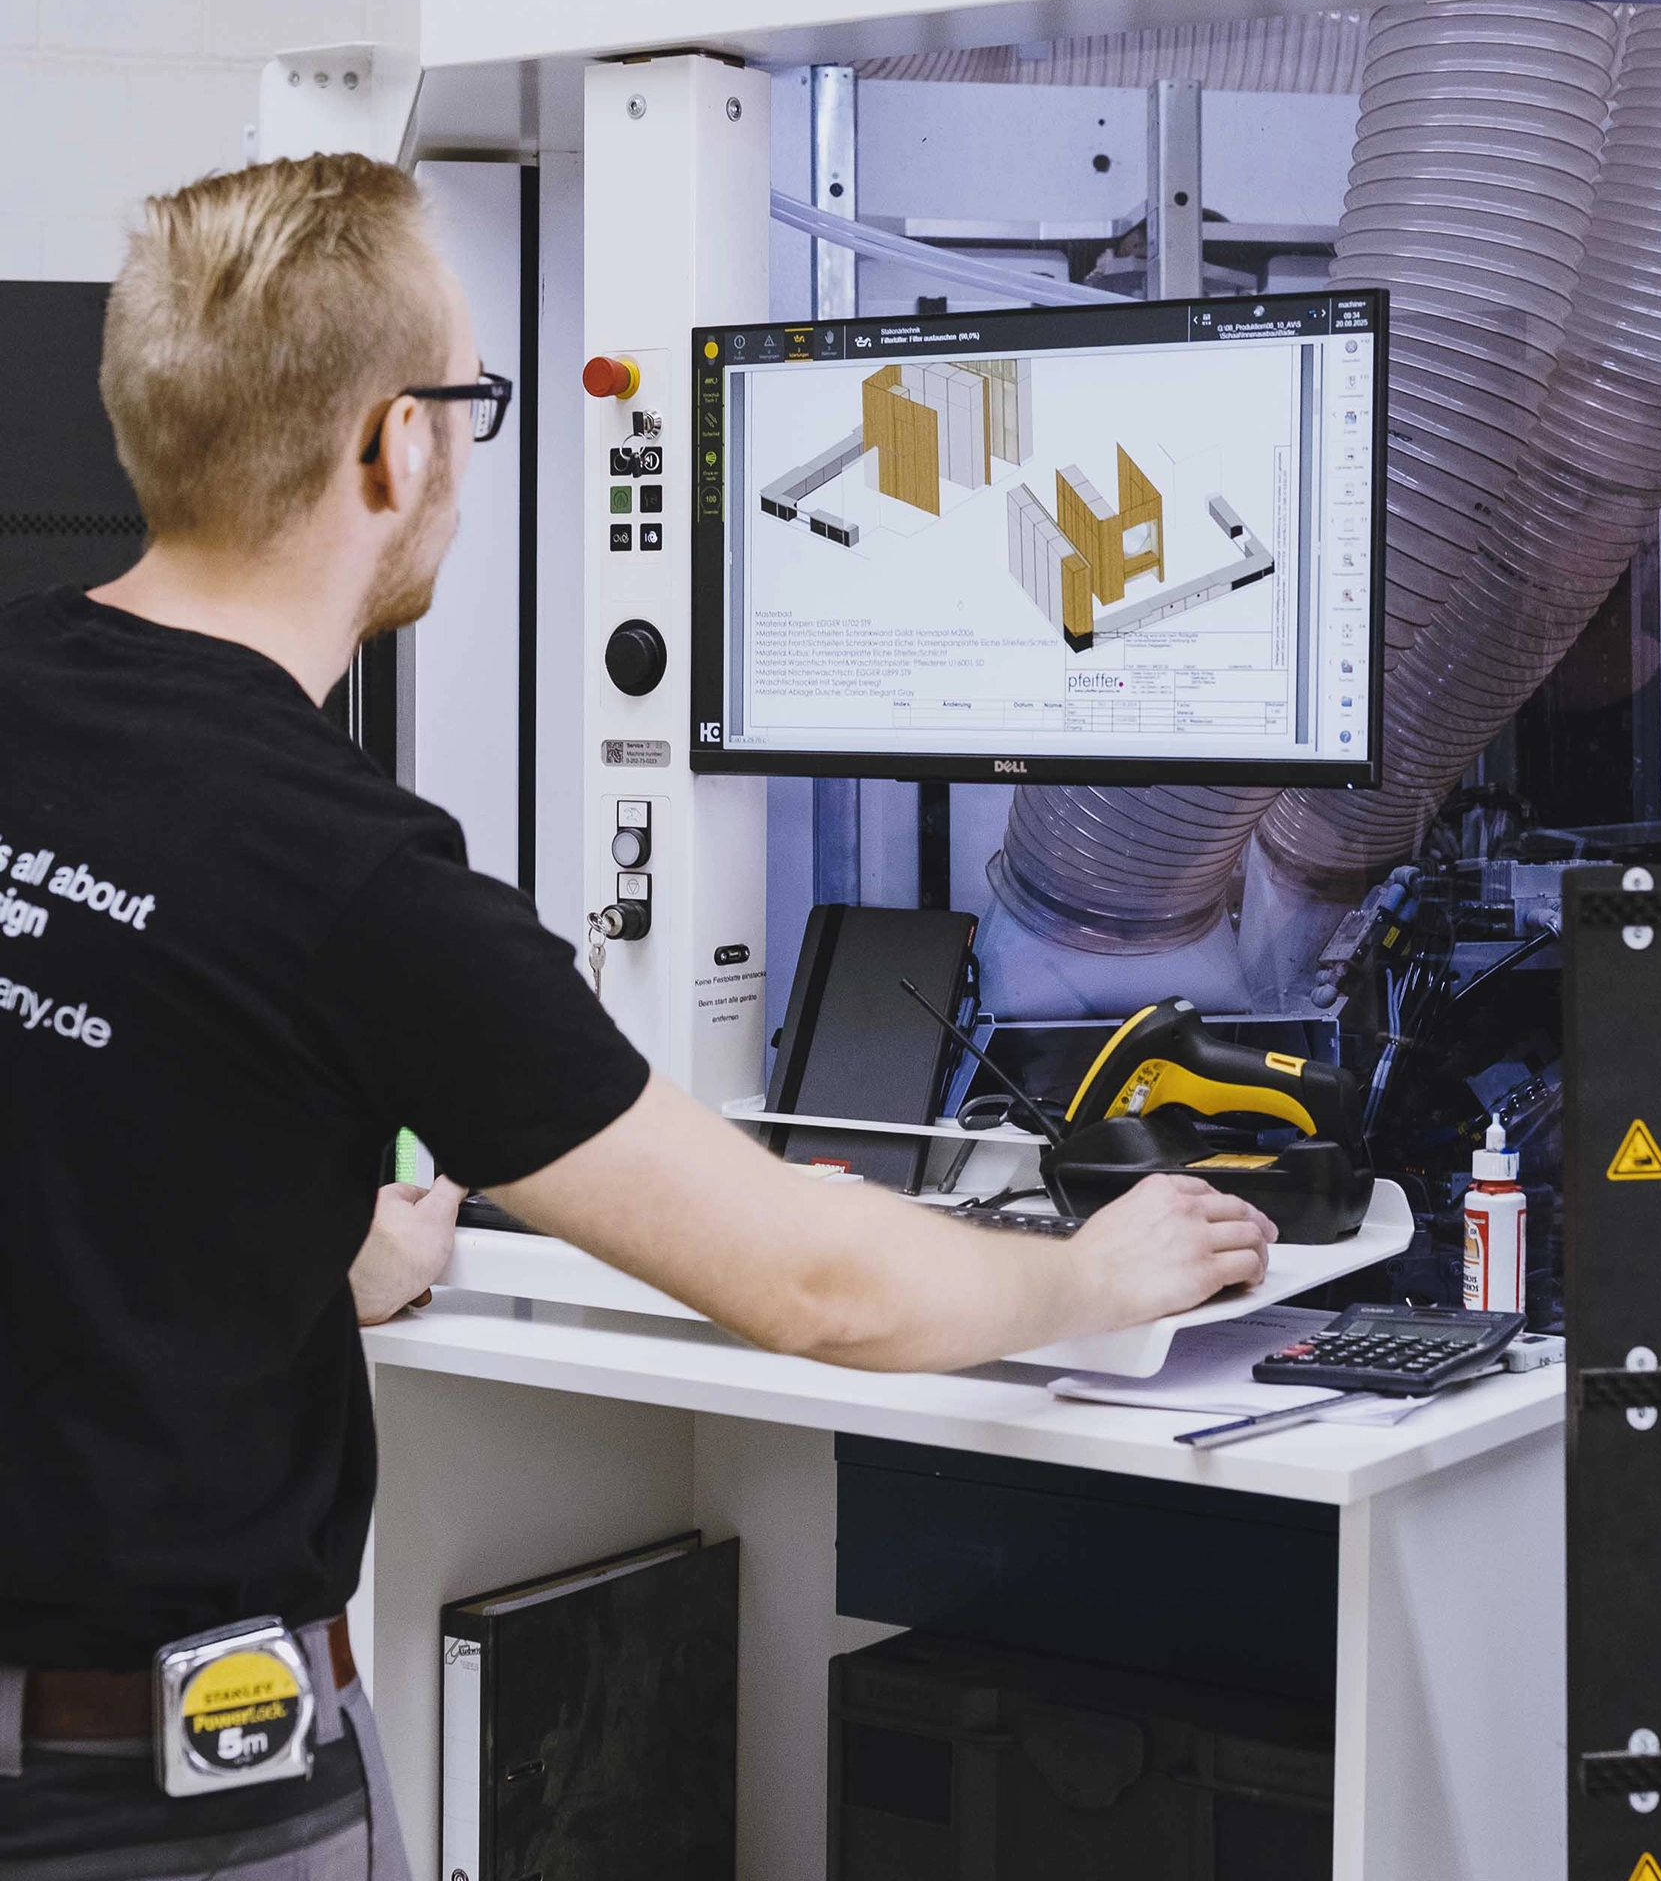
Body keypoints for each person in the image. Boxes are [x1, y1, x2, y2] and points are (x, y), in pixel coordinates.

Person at [0, 155, 1274, 1879]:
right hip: (155, 1801)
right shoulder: (354, 881)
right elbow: (814, 1286)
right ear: (398, 446)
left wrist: (291, 1249)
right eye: (474, 401)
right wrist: (1088, 1275)